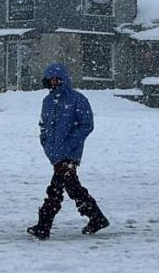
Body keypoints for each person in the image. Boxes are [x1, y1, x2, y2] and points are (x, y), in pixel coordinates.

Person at [27, 63, 109, 239]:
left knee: (55, 190)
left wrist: (70, 144)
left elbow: (87, 125)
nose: (55, 83)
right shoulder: (47, 102)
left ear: (64, 79)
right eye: (51, 80)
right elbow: (43, 125)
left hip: (70, 154)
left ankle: (44, 225)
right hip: (55, 153)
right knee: (72, 188)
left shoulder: (77, 99)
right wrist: (46, 142)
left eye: (57, 79)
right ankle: (96, 217)